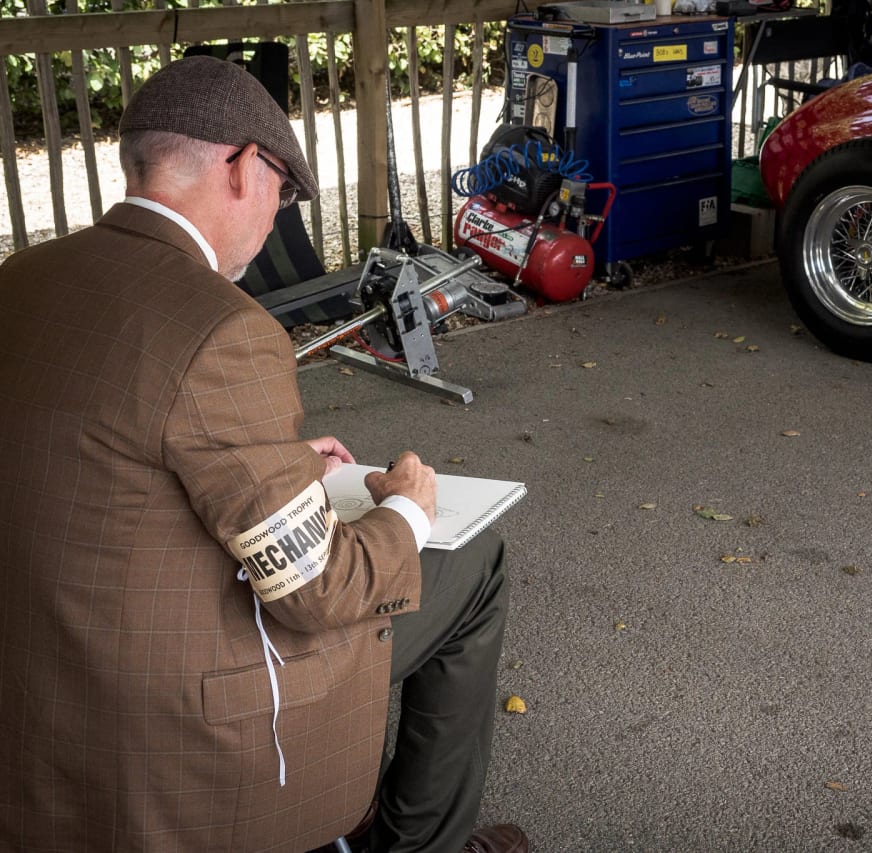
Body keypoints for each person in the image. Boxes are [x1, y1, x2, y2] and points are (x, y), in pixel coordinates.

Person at [0, 55, 527, 853]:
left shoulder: (24, 277)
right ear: (245, 167)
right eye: (283, 190)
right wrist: (406, 511)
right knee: (474, 562)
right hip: (173, 732)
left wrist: (279, 460)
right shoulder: (224, 326)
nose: (278, 212)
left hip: (44, 696)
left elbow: (114, 452)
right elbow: (318, 591)